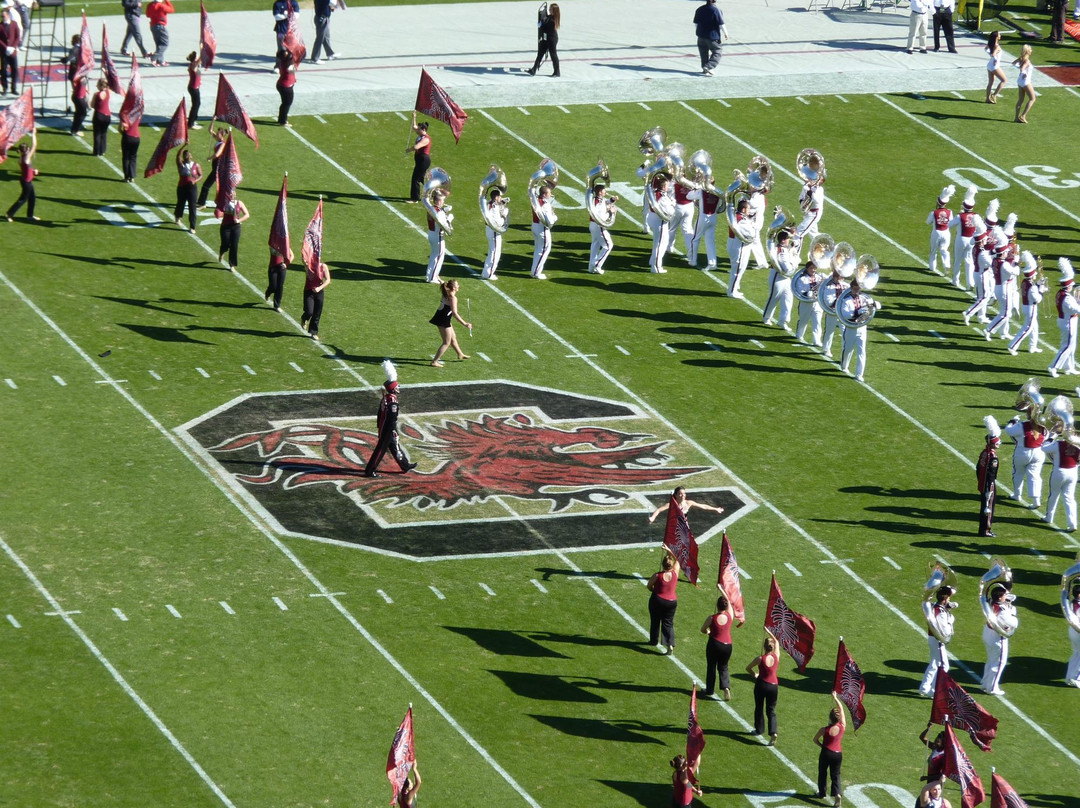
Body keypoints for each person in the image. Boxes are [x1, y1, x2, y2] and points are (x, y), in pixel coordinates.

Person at [363, 360, 418, 478]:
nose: (399, 387)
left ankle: (405, 465)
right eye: (397, 386)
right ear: (393, 389)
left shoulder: (387, 398)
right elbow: (392, 419)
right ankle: (370, 471)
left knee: (394, 447)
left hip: (384, 427)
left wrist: (379, 426)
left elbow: (379, 413)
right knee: (381, 450)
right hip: (388, 428)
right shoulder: (392, 402)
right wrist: (393, 431)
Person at [1004, 399, 1048, 509]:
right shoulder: (1044, 426)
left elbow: (1009, 431)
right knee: (1034, 476)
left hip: (1022, 452)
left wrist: (1012, 421)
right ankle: (1036, 500)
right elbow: (1046, 437)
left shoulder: (1022, 425)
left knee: (1018, 473)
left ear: (1029, 414)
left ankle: (1017, 495)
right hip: (1039, 452)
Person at [981, 581, 1018, 695]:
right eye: (1004, 596)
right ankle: (992, 688)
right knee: (999, 663)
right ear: (1001, 597)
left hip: (988, 633)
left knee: (991, 660)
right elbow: (1013, 623)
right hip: (997, 638)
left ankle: (985, 683)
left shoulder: (991, 603)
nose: (1006, 597)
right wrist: (1011, 609)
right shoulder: (1002, 610)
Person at [918, 584, 956, 696]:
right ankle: (933, 691)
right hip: (938, 640)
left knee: (934, 663)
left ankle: (924, 688)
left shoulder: (934, 606)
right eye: (948, 598)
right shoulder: (941, 613)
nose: (949, 599)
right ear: (945, 599)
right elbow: (945, 630)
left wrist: (947, 609)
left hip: (932, 638)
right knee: (945, 666)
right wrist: (951, 618)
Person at [812, 692, 846, 808]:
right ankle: (837, 795)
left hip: (826, 752)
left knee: (822, 772)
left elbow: (815, 740)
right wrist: (836, 698)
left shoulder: (824, 729)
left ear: (830, 718)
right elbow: (841, 709)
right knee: (835, 775)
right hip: (838, 754)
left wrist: (823, 746)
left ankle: (822, 793)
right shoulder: (842, 727)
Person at [700, 593, 736, 700]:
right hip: (728, 646)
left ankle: (710, 690)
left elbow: (703, 629)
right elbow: (729, 603)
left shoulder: (712, 618)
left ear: (717, 605)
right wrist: (723, 591)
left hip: (714, 644)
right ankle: (726, 688)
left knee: (711, 666)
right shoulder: (730, 616)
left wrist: (708, 631)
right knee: (723, 667)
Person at [746, 632, 779, 746]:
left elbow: (748, 668)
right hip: (774, 686)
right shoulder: (776, 656)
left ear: (764, 647)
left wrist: (755, 674)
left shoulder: (760, 658)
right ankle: (773, 732)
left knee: (759, 707)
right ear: (773, 647)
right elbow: (777, 642)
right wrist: (769, 631)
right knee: (771, 711)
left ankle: (759, 730)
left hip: (761, 684)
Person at [1007, 252, 1044, 355]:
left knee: (1035, 327)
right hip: (1031, 308)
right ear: (1032, 275)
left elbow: (1031, 289)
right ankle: (1012, 346)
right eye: (1034, 273)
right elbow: (1037, 299)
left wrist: (1038, 284)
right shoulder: (1032, 286)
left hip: (1026, 306)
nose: (1036, 274)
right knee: (1027, 329)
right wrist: (1041, 290)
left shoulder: (1025, 281)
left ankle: (1033, 346)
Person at [1049, 258, 1080, 378]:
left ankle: (1069, 367)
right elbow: (1077, 309)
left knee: (1072, 345)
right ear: (1068, 286)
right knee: (1066, 346)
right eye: (1071, 285)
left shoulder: (1061, 293)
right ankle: (1053, 367)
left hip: (1068, 320)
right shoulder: (1067, 298)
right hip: (1068, 322)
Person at [429, 279, 471, 367]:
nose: (459, 286)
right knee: (446, 342)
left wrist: (440, 279)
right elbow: (455, 313)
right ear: (454, 288)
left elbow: (443, 283)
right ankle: (434, 361)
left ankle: (460, 354)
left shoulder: (446, 292)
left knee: (453, 338)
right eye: (457, 285)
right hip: (444, 320)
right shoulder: (453, 298)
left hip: (441, 317)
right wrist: (465, 324)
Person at [647, 547, 681, 654]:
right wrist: (670, 550)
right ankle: (670, 644)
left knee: (655, 620)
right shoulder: (675, 573)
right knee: (668, 623)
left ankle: (654, 641)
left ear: (663, 565)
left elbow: (649, 586)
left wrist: (655, 591)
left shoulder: (657, 575)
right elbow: (677, 560)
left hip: (657, 600)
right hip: (671, 602)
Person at [1042, 435, 1079, 532]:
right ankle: (1072, 524)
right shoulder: (1078, 444)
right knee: (1069, 498)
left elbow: (1044, 448)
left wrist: (1050, 438)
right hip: (1073, 472)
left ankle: (1049, 517)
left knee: (1053, 495)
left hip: (1059, 472)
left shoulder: (1058, 444)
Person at [763, 228, 797, 331]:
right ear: (783, 240)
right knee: (774, 298)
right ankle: (766, 317)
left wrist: (791, 251)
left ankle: (783, 321)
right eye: (787, 239)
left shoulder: (784, 249)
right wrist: (794, 262)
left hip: (786, 279)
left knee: (788, 299)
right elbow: (786, 267)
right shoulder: (781, 250)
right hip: (777, 277)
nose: (789, 241)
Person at [949, 186, 980, 290]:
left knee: (957, 260)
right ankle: (970, 282)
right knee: (969, 261)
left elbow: (949, 225)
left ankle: (955, 281)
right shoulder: (977, 216)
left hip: (961, 239)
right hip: (971, 240)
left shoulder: (960, 216)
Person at [5, 126, 38, 222]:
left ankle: (30, 216)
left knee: (32, 198)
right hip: (27, 182)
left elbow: (26, 170)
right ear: (26, 149)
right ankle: (9, 214)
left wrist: (33, 172)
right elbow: (34, 145)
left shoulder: (21, 159)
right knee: (23, 199)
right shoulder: (26, 158)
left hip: (26, 180)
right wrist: (34, 134)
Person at [647, 486, 726, 525]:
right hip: (673, 528)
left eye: (684, 493)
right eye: (680, 494)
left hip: (684, 528)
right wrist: (652, 517)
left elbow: (703, 506)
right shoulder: (671, 505)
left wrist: (716, 509)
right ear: (676, 495)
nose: (683, 495)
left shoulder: (688, 503)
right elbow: (658, 510)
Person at [976, 416, 1001, 537]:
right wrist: (989, 489)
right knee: (988, 508)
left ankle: (983, 530)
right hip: (988, 485)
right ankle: (986, 530)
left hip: (982, 482)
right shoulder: (993, 457)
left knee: (984, 508)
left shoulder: (984, 452)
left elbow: (978, 468)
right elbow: (991, 475)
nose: (999, 443)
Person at [726, 196, 755, 296]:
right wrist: (752, 225)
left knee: (739, 268)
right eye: (748, 209)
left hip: (733, 242)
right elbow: (752, 234)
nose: (749, 211)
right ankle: (731, 291)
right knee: (738, 269)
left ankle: (735, 286)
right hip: (739, 246)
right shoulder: (742, 220)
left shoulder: (735, 215)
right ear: (743, 209)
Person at [688, 180, 720, 270]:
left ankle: (693, 261)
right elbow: (720, 206)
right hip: (713, 217)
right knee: (710, 241)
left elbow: (688, 196)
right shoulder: (718, 191)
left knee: (695, 239)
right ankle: (713, 263)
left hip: (703, 217)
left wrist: (694, 188)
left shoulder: (701, 191)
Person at [647, 174, 675, 275]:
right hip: (659, 221)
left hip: (652, 217)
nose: (668, 187)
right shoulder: (663, 197)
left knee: (657, 242)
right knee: (661, 244)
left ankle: (652, 261)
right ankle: (656, 266)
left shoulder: (653, 191)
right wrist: (673, 204)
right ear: (663, 187)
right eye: (667, 185)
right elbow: (671, 212)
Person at [197, 122, 228, 208]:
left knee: (206, 185)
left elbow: (217, 154)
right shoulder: (218, 140)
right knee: (220, 187)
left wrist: (210, 158)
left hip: (218, 168)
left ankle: (202, 203)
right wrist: (213, 121)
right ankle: (224, 202)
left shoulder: (223, 144)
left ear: (222, 136)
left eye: (218, 134)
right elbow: (210, 130)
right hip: (215, 166)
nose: (216, 134)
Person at [693, 0, 728, 77]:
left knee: (703, 53)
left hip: (701, 36)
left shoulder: (699, 9)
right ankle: (709, 66)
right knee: (717, 51)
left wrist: (699, 32)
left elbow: (696, 23)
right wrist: (726, 33)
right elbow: (721, 23)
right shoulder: (716, 10)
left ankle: (704, 68)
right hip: (712, 36)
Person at [424, 188, 452, 284]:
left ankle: (430, 275)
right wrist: (450, 218)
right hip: (438, 235)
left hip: (432, 233)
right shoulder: (439, 212)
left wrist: (444, 210)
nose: (443, 202)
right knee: (438, 257)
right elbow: (445, 226)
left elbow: (437, 215)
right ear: (438, 201)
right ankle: (432, 277)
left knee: (434, 255)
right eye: (443, 200)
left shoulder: (432, 209)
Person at [794, 257, 824, 347]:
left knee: (817, 321)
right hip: (805, 303)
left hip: (817, 303)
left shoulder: (819, 277)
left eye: (814, 268)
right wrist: (807, 293)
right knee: (803, 320)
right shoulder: (802, 279)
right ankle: (799, 334)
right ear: (807, 268)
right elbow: (799, 290)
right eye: (811, 268)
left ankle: (817, 340)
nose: (813, 270)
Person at [216, 195, 250, 272]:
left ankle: (232, 264)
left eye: (232, 194)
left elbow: (247, 214)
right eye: (229, 194)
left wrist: (239, 220)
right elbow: (218, 208)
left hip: (236, 227)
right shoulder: (225, 202)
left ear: (235, 194)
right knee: (225, 243)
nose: (231, 195)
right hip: (225, 226)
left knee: (234, 245)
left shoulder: (239, 203)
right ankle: (222, 252)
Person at [587, 183, 616, 275]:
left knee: (595, 244)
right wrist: (611, 213)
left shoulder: (597, 199)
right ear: (600, 192)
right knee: (608, 245)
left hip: (593, 225)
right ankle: (597, 265)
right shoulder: (598, 202)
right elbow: (601, 217)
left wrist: (612, 200)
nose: (605, 192)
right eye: (604, 190)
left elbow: (605, 202)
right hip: (598, 225)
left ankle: (591, 267)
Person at [926, 185, 955, 276]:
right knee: (944, 249)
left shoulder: (933, 212)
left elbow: (928, 222)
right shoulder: (950, 212)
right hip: (946, 232)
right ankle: (947, 265)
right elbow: (951, 222)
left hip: (936, 232)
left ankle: (932, 267)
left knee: (933, 250)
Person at [481, 187, 508, 280]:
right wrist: (504, 215)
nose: (501, 198)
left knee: (492, 251)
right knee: (495, 253)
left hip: (489, 230)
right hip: (494, 230)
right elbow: (498, 222)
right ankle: (489, 273)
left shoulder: (489, 204)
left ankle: (486, 271)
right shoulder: (494, 207)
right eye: (499, 196)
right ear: (496, 197)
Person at [530, 184, 556, 280]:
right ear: (544, 194)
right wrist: (555, 217)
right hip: (542, 228)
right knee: (544, 251)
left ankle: (534, 270)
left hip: (535, 225)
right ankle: (536, 272)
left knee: (538, 250)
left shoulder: (536, 200)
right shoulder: (545, 204)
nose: (550, 194)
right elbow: (549, 222)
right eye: (549, 193)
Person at [173, 147, 202, 234]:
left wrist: (195, 180)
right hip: (182, 187)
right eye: (186, 155)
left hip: (192, 188)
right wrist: (184, 146)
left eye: (189, 155)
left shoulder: (196, 165)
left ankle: (192, 226)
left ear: (191, 156)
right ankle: (178, 217)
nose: (188, 156)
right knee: (180, 203)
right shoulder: (181, 164)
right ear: (184, 157)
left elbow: (201, 175)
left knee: (192, 207)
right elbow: (178, 155)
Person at [526, 2, 560, 77]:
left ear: (554, 11)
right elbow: (545, 20)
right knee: (540, 54)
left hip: (551, 40)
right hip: (546, 38)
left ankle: (557, 72)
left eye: (550, 9)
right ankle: (533, 70)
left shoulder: (552, 20)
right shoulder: (550, 17)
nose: (549, 10)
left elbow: (544, 26)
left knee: (553, 55)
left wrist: (541, 23)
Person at [300, 260, 330, 341]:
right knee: (309, 311)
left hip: (319, 292)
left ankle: (314, 332)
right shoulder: (309, 266)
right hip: (309, 292)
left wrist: (319, 288)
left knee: (317, 313)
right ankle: (304, 318)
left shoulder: (323, 267)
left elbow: (328, 280)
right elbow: (303, 260)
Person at [405, 115, 430, 203]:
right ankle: (434, 192)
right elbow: (414, 127)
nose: (417, 130)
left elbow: (416, 147)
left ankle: (415, 198)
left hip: (423, 160)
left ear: (424, 130)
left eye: (419, 129)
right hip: (420, 160)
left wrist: (408, 150)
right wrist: (414, 117)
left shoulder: (426, 139)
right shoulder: (421, 135)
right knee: (422, 179)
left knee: (415, 179)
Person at [119, 91, 141, 183]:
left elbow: (120, 128)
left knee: (126, 157)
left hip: (127, 136)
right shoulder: (138, 113)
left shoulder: (125, 114)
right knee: (133, 157)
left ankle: (126, 176)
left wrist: (124, 134)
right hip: (137, 137)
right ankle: (132, 176)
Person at [0, 5, 21, 96]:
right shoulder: (0, 26)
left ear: (8, 15)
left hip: (13, 51)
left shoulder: (14, 24)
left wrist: (13, 47)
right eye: (2, 16)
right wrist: (6, 47)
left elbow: (17, 36)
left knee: (14, 70)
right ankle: (5, 88)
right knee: (4, 71)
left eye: (4, 16)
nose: (2, 18)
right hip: (4, 52)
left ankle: (14, 88)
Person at [146, 0, 174, 67]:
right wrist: (167, 1)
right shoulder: (162, 6)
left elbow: (148, 15)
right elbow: (172, 10)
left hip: (153, 26)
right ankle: (154, 57)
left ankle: (161, 61)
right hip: (160, 26)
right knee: (164, 44)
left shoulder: (150, 5)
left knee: (159, 44)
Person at [1013, 44, 1035, 124]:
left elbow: (1013, 63)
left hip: (1020, 81)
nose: (1031, 51)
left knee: (1021, 99)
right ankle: (1023, 116)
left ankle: (1016, 117)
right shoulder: (1027, 61)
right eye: (1030, 49)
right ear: (1027, 51)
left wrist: (1021, 71)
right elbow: (1022, 69)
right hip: (1026, 81)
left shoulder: (1021, 59)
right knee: (1032, 98)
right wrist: (1024, 73)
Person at [276, 47, 296, 126]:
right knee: (287, 103)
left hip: (283, 85)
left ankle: (281, 119)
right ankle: (283, 121)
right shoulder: (288, 64)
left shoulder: (284, 62)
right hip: (286, 87)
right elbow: (292, 71)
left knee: (285, 103)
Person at [90, 78, 111, 157]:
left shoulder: (96, 94)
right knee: (104, 133)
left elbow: (92, 105)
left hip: (99, 115)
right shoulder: (108, 92)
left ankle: (96, 151)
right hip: (107, 115)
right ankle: (103, 150)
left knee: (97, 134)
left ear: (100, 85)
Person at [985, 31, 1006, 104]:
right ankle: (994, 94)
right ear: (997, 37)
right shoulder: (997, 46)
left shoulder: (990, 44)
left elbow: (985, 49)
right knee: (1004, 80)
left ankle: (987, 98)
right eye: (999, 34)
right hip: (994, 66)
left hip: (989, 65)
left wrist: (992, 55)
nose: (1000, 35)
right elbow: (993, 54)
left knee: (990, 82)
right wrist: (995, 57)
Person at [1065, 582, 1080, 687]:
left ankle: (1069, 677)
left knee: (1076, 654)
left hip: (1072, 631)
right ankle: (1076, 679)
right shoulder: (1078, 606)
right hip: (1078, 631)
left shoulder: (1071, 603)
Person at [186, 51, 202, 129]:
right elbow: (201, 58)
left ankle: (192, 120)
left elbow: (200, 60)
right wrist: (204, 50)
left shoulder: (194, 65)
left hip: (194, 87)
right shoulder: (193, 66)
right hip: (193, 88)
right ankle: (191, 123)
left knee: (197, 104)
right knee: (196, 105)